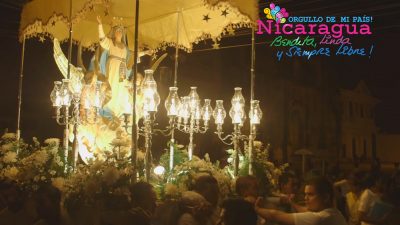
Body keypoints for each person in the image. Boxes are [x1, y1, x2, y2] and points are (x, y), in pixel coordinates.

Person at [255, 177, 347, 225]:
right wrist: (292, 203)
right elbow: (305, 210)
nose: (306, 198)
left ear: (326, 197)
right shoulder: (335, 213)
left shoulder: (320, 218)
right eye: (305, 194)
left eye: (310, 194)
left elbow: (276, 215)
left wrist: (257, 208)